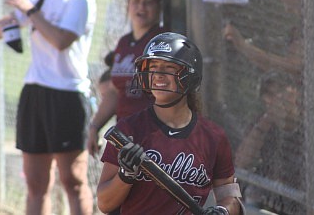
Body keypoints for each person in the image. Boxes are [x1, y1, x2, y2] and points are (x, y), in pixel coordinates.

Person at [97, 32, 244, 214]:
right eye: (153, 67)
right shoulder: (129, 130)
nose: (158, 75)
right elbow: (104, 203)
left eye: (168, 68)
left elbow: (231, 198)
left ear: (190, 76)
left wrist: (223, 211)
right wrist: (125, 175)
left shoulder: (213, 137)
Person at [0, 0, 96, 214]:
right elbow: (4, 26)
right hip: (34, 93)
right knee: (36, 183)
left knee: (72, 180)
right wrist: (7, 24)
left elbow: (61, 40)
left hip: (66, 94)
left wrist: (30, 11)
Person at [221, 0, 304, 214]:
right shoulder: (295, 28)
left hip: (303, 113)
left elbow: (290, 66)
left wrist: (243, 46)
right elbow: (240, 163)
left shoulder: (311, 28)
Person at [87, 0, 166, 157]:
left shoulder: (163, 41)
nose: (141, 7)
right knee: (112, 184)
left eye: (149, 2)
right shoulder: (124, 43)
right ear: (127, 6)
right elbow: (115, 92)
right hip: (124, 134)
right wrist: (94, 127)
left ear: (159, 8)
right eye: (136, 1)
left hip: (153, 135)